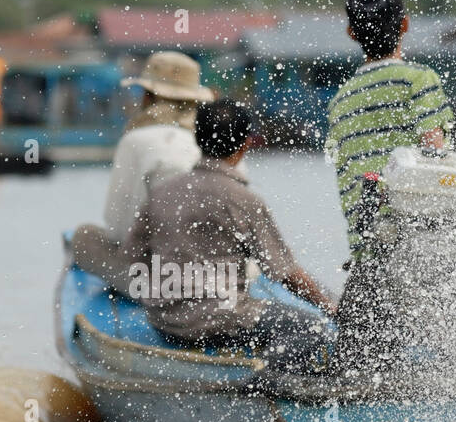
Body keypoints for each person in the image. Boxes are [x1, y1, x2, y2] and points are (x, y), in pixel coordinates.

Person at [122, 100, 335, 371]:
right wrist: (329, 306)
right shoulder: (242, 200)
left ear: (198, 139)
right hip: (221, 321)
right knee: (313, 329)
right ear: (245, 145)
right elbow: (284, 273)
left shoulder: (163, 193)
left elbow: (133, 257)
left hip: (165, 322)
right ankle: (263, 384)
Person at [324, 0, 456, 375]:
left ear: (352, 33)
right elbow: (436, 164)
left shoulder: (339, 102)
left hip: (368, 266)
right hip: (426, 256)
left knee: (358, 378)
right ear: (405, 24)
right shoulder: (419, 80)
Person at [103, 51, 214, 243]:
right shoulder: (215, 139)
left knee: (83, 236)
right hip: (216, 259)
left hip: (156, 261)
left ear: (148, 97)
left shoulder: (135, 139)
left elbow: (117, 228)